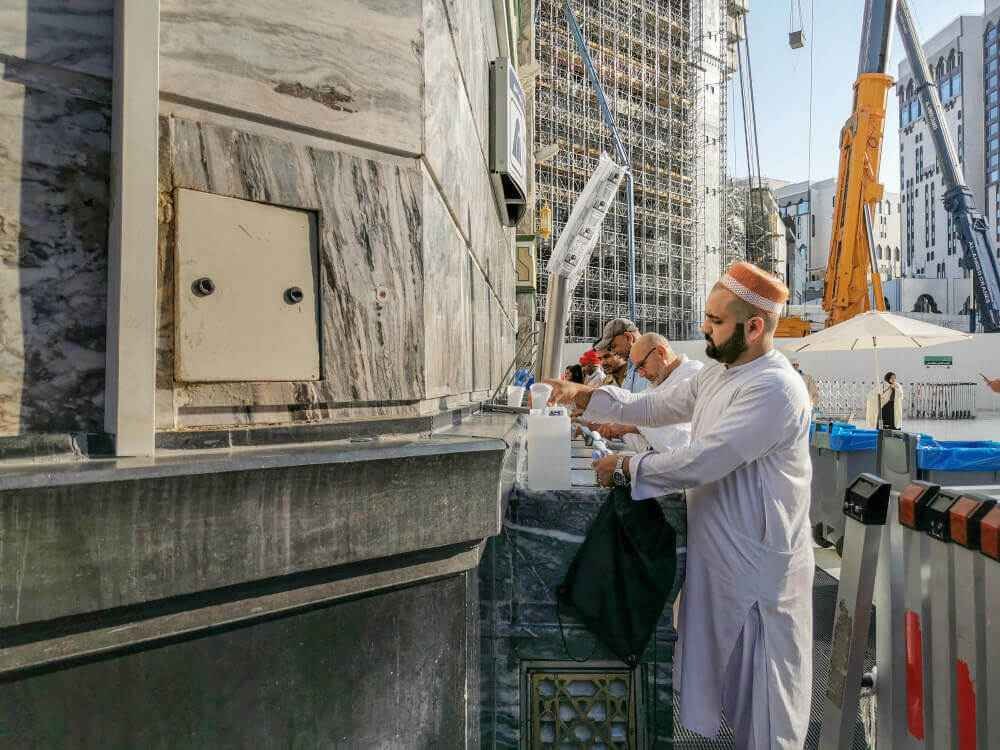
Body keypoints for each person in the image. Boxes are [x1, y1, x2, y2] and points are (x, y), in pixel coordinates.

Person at [545, 261, 814, 749]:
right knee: (734, 697)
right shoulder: (718, 375)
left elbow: (706, 459)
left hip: (759, 570)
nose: (704, 328)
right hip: (723, 560)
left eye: (715, 320)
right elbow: (654, 406)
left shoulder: (775, 388)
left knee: (767, 711)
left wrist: (628, 468)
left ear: (754, 328)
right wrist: (581, 395)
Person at [593, 333, 703, 452]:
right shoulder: (659, 381)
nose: (641, 374)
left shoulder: (694, 375)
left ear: (661, 353)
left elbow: (677, 439)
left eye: (642, 365)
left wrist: (629, 426)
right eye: (637, 369)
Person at [594, 318, 648, 393]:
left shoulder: (652, 363)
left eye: (614, 346)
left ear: (628, 337)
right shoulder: (632, 366)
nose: (614, 352)